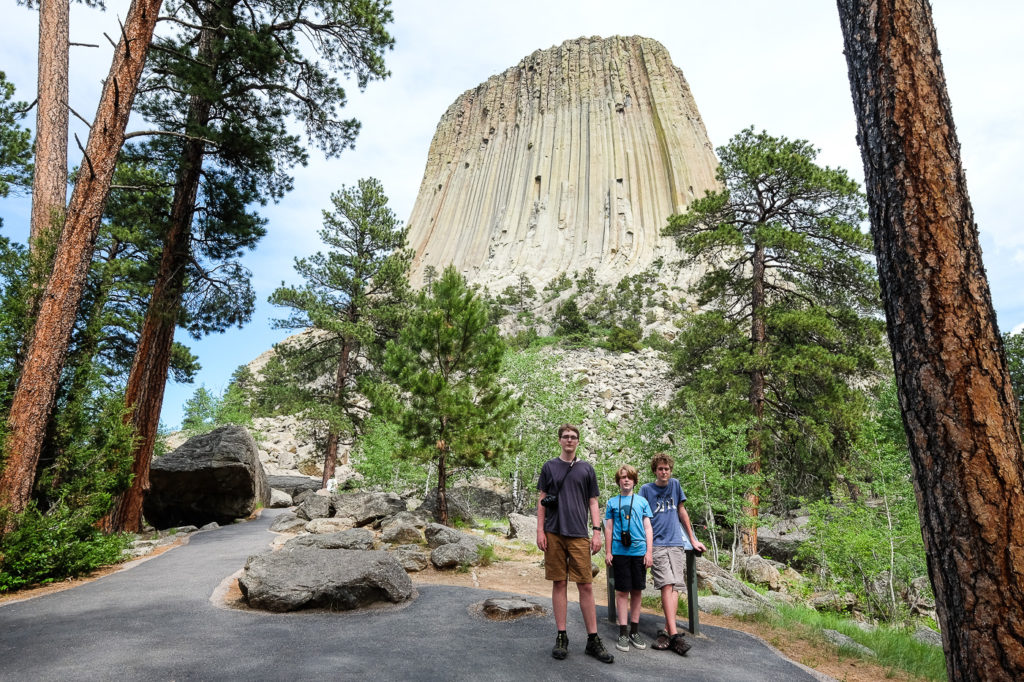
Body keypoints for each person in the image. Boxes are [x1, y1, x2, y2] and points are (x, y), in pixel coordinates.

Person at [536, 423, 614, 664]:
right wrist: (540, 531)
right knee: (559, 583)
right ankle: (562, 635)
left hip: (579, 534)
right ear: (559, 440)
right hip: (554, 533)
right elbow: (541, 500)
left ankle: (593, 639)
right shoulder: (549, 467)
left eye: (573, 437)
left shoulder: (586, 469)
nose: (569, 440)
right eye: (565, 437)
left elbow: (593, 502)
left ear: (578, 442)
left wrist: (597, 531)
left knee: (586, 585)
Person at [638, 452, 707, 656]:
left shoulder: (675, 485)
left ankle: (667, 632)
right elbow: (642, 518)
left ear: (670, 470)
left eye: (666, 469)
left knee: (676, 586)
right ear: (655, 471)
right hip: (657, 544)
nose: (664, 472)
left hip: (676, 542)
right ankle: (676, 635)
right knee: (666, 584)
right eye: (660, 469)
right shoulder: (646, 490)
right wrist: (645, 547)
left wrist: (692, 539)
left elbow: (682, 511)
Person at [603, 464, 654, 653]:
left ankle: (635, 630)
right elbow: (609, 528)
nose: (626, 480)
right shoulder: (612, 502)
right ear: (618, 481)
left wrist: (649, 552)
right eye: (623, 477)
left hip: (638, 551)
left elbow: (648, 528)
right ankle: (623, 632)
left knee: (637, 590)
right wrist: (608, 551)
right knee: (622, 591)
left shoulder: (642, 502)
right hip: (620, 552)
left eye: (629, 478)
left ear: (634, 481)